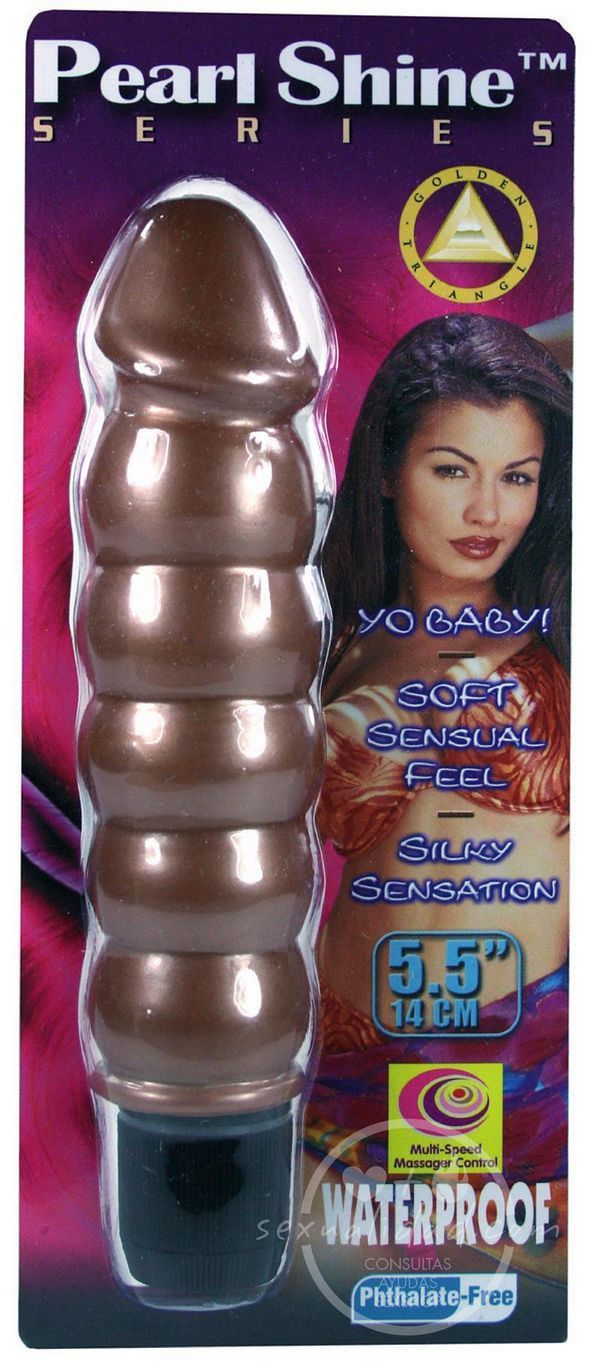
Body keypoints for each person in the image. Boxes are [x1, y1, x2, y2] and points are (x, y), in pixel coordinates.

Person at [305, 313, 571, 1280]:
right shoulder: (328, 636)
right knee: (346, 1305)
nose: (487, 509)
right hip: (344, 1036)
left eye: (519, 475)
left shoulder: (568, 628)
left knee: (515, 1298)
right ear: (386, 469)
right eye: (452, 468)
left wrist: (502, 355)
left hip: (513, 1045)